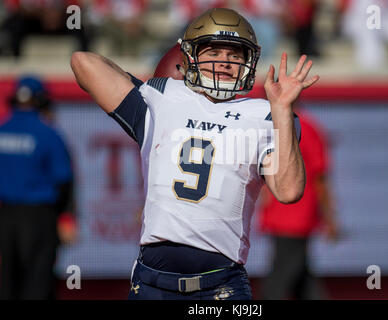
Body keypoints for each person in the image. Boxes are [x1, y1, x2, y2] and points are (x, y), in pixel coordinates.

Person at [70, 7, 319, 300]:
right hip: (151, 283)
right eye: (214, 52)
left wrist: (281, 111)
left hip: (221, 287)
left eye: (235, 55)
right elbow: (83, 62)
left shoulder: (262, 115)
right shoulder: (162, 99)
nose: (224, 62)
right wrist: (157, 83)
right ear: (190, 57)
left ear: (248, 62)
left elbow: (289, 191)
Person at [0, 76, 74, 299]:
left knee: (6, 282)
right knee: (38, 283)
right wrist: (64, 216)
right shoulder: (49, 134)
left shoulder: (2, 130)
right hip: (38, 218)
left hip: (5, 217)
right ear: (42, 102)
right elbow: (64, 180)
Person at [259, 109, 339, 300]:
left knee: (283, 278)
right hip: (294, 216)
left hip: (292, 215)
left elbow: (319, 177)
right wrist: (330, 218)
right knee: (294, 273)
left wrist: (330, 217)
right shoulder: (306, 127)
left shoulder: (273, 126)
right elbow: (320, 177)